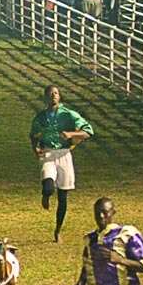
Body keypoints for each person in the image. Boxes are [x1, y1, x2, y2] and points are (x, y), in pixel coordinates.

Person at [30, 85, 95, 242]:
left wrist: (71, 134)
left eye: (56, 93)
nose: (53, 96)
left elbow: (88, 132)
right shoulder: (40, 117)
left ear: (60, 97)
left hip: (64, 154)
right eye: (50, 94)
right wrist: (35, 148)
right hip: (48, 153)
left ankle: (58, 230)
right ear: (45, 97)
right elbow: (33, 135)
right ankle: (45, 195)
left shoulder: (69, 115)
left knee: (63, 196)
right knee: (48, 186)